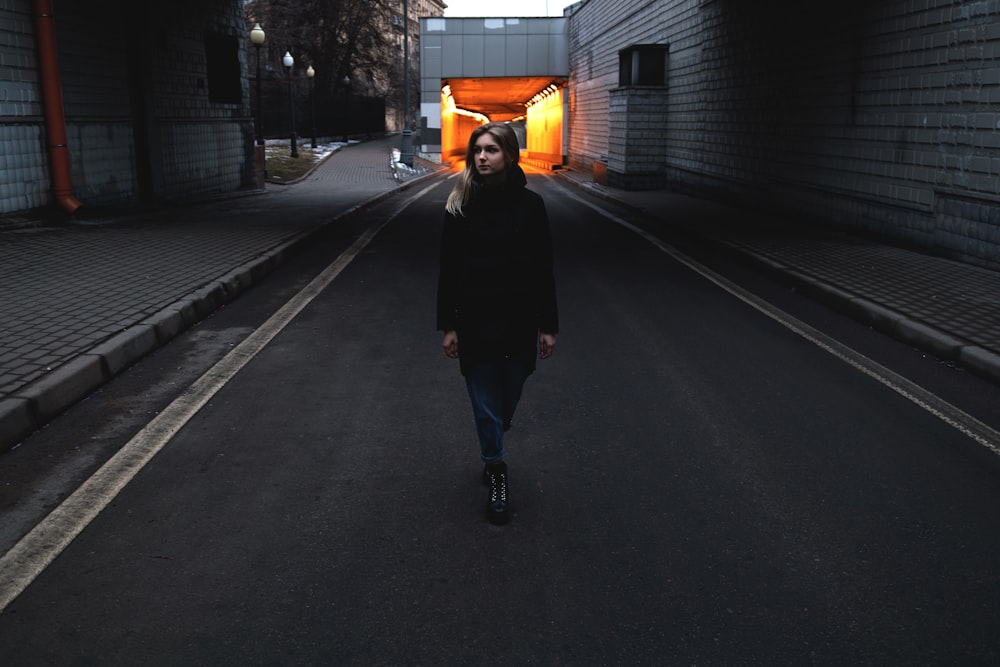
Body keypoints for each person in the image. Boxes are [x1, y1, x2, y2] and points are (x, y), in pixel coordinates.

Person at [437, 122, 559, 525]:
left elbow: (544, 268)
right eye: (477, 150)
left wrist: (547, 325)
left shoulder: (531, 206)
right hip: (474, 320)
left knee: (507, 399)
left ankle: (493, 443)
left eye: (491, 150)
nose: (482, 157)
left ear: (509, 154)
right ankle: (497, 470)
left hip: (519, 320)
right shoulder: (460, 206)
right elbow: (449, 270)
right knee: (485, 402)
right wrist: (448, 325)